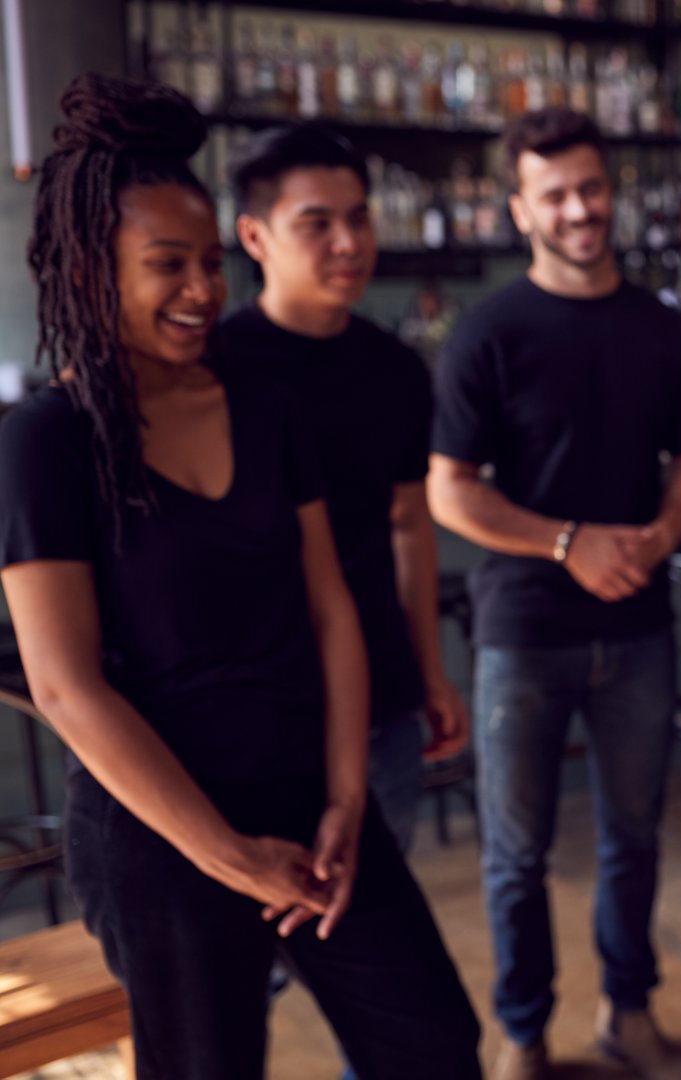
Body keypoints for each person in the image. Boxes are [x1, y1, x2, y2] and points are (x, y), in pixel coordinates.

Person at [0, 75, 480, 1079]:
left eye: (210, 263)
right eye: (166, 265)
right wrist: (225, 851)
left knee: (433, 1042)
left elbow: (331, 610)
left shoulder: (262, 408)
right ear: (90, 270)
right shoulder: (47, 441)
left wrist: (347, 800)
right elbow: (63, 686)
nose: (202, 290)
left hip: (311, 798)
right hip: (157, 833)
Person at [427, 106, 681, 1080]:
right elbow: (450, 490)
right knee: (516, 854)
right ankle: (522, 1034)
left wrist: (660, 538)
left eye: (590, 188)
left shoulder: (663, 328)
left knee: (633, 838)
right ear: (521, 209)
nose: (579, 208)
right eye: (555, 194)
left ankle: (627, 1015)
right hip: (522, 630)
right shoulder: (489, 331)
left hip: (636, 623)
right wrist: (567, 544)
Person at [220, 123, 469, 856]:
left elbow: (408, 526)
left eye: (358, 217)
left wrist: (430, 672)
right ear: (255, 236)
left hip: (380, 697)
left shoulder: (392, 368)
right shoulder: (217, 368)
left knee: (372, 921)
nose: (348, 243)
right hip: (256, 704)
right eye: (316, 223)